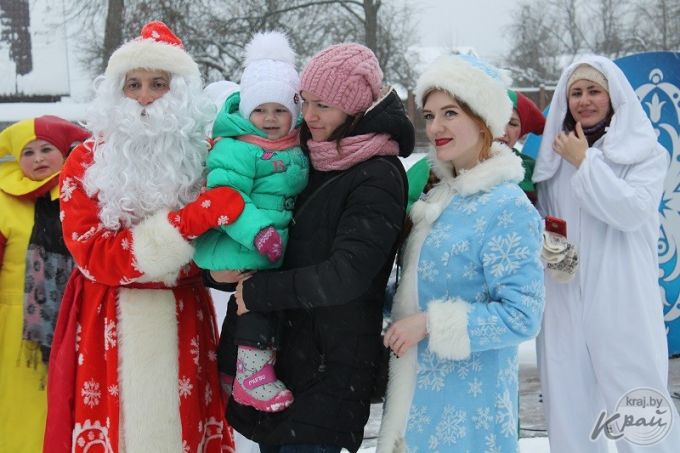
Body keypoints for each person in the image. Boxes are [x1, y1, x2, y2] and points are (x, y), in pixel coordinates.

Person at [44, 21, 246, 453]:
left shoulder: (207, 158)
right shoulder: (85, 162)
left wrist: (223, 266)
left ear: (180, 92)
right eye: (133, 84)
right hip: (107, 319)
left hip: (183, 317)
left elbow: (220, 247)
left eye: (158, 83)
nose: (144, 96)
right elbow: (93, 254)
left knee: (185, 431)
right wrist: (184, 225)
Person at [216, 42, 414, 453]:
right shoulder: (305, 158)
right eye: (304, 102)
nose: (309, 115)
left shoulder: (377, 175)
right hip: (283, 359)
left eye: (322, 105)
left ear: (353, 107)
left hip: (330, 369)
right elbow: (275, 239)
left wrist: (258, 292)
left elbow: (347, 275)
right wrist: (219, 271)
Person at [377, 54, 544, 452]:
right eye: (430, 115)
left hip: (470, 412)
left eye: (450, 113)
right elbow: (421, 289)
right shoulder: (439, 195)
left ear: (483, 119)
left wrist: (430, 324)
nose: (435, 127)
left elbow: (522, 316)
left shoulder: (507, 206)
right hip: (414, 401)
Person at [533, 55, 680, 452]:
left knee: (639, 403)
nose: (584, 100)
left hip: (622, 296)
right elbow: (551, 223)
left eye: (594, 91)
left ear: (613, 96)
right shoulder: (555, 158)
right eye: (576, 93)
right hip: (566, 297)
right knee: (569, 405)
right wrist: (555, 255)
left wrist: (586, 162)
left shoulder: (645, 154)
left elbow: (630, 211)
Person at [194, 31, 308, 413]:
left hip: (268, 237)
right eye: (260, 110)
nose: (270, 119)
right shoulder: (237, 148)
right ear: (245, 111)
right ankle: (252, 375)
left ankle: (231, 366)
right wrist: (259, 232)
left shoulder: (292, 146)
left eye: (280, 110)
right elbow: (225, 197)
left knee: (255, 299)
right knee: (261, 298)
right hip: (239, 237)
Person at [0, 116, 88, 453]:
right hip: (16, 327)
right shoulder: (4, 200)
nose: (38, 158)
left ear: (65, 153)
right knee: (19, 404)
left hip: (78, 317)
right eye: (28, 152)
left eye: (46, 149)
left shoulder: (84, 194)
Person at [496, 89, 545, 204]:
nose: (503, 131)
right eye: (498, 120)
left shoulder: (531, 172)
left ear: (520, 133)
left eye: (513, 124)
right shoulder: (458, 161)